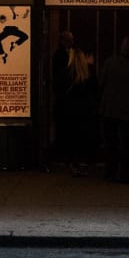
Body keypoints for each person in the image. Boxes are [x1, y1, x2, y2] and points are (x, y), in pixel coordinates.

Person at [97, 35, 129, 184]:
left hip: (109, 109)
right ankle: (125, 175)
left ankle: (110, 172)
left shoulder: (111, 62)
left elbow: (101, 84)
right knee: (127, 144)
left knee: (111, 142)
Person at [60, 46, 99, 176]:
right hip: (85, 109)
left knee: (71, 136)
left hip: (70, 109)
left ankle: (72, 163)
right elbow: (95, 90)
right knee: (82, 136)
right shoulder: (89, 72)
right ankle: (82, 162)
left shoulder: (67, 72)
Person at [48, 30, 74, 170]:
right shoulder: (61, 55)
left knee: (62, 124)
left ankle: (62, 148)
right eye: (69, 40)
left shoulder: (62, 54)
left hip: (62, 94)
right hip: (63, 94)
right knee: (63, 124)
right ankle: (62, 149)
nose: (72, 42)